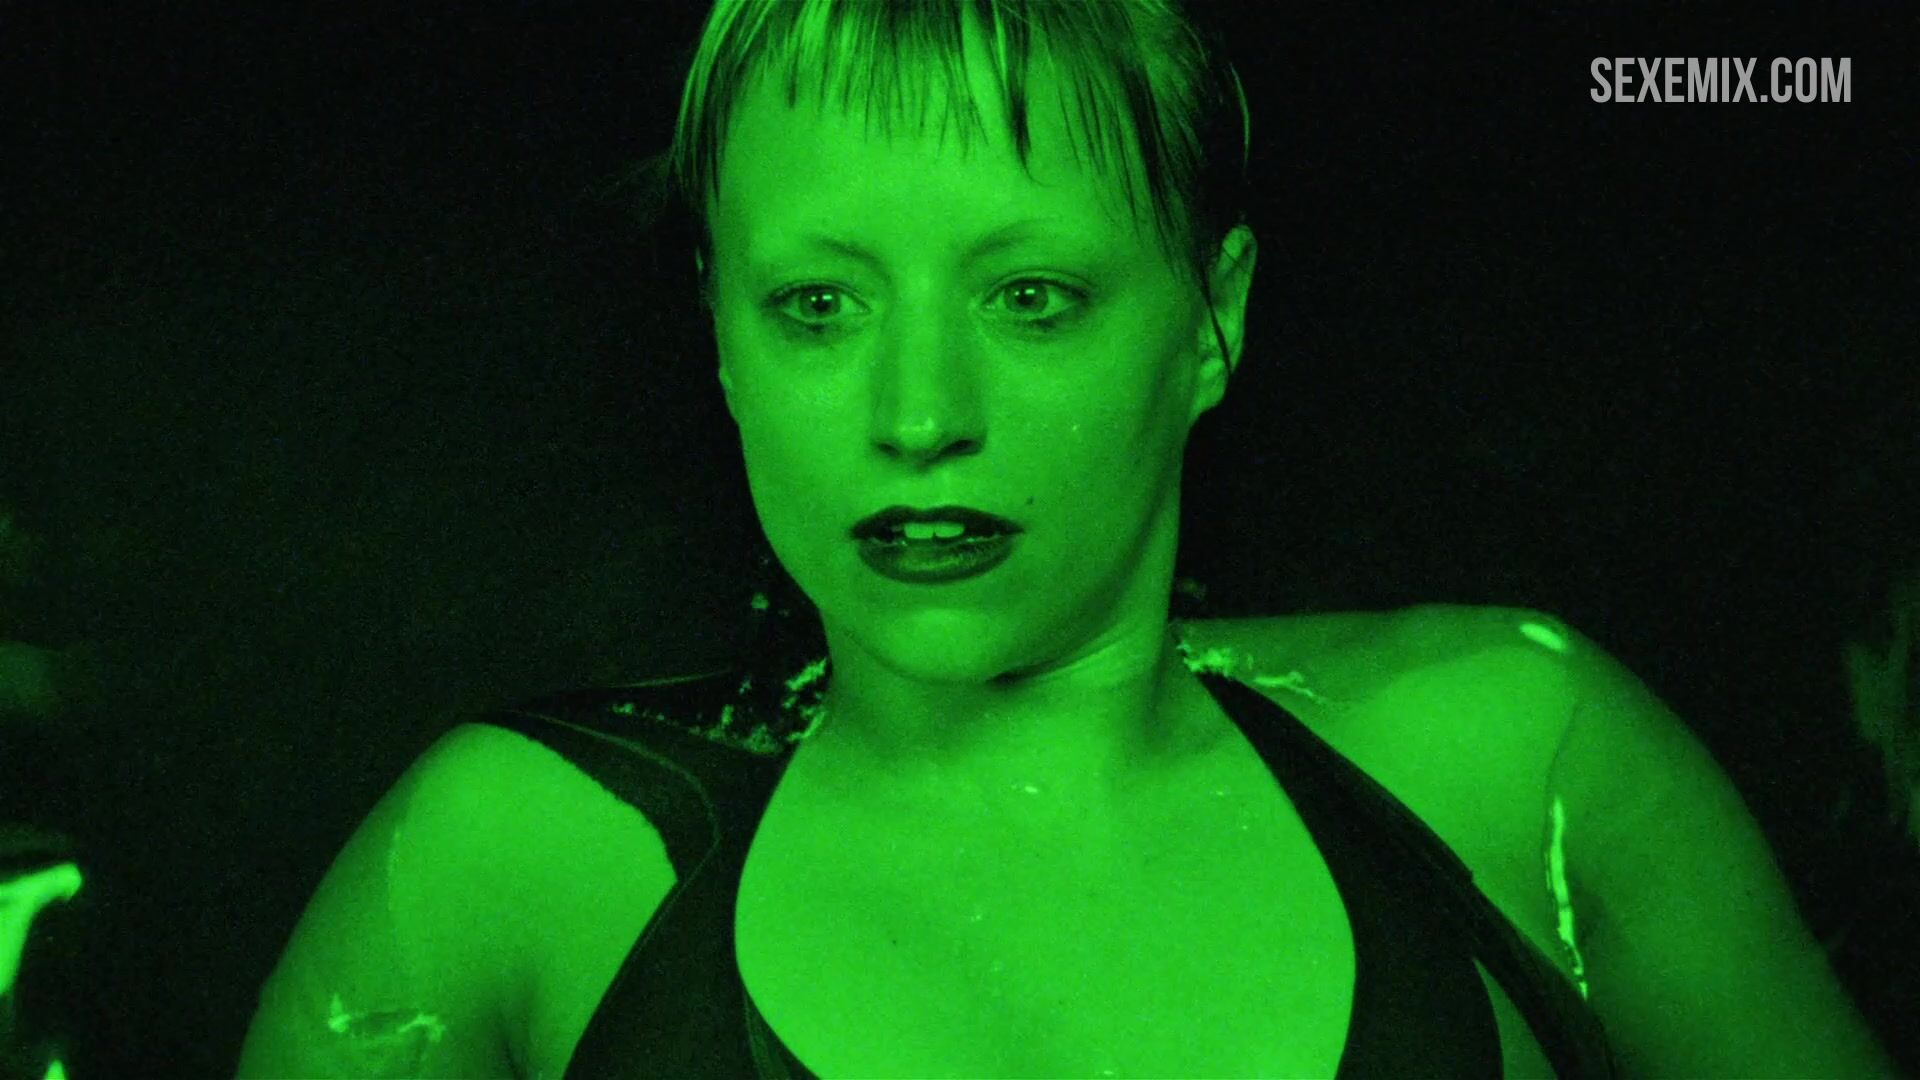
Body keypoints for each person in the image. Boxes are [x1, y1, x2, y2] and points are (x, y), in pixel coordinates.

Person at [237, 3, 1891, 1078]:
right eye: (817, 305)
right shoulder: (515, 869)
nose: (919, 414)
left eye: (1032, 297)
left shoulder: (1519, 768)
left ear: (1214, 318)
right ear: (720, 335)